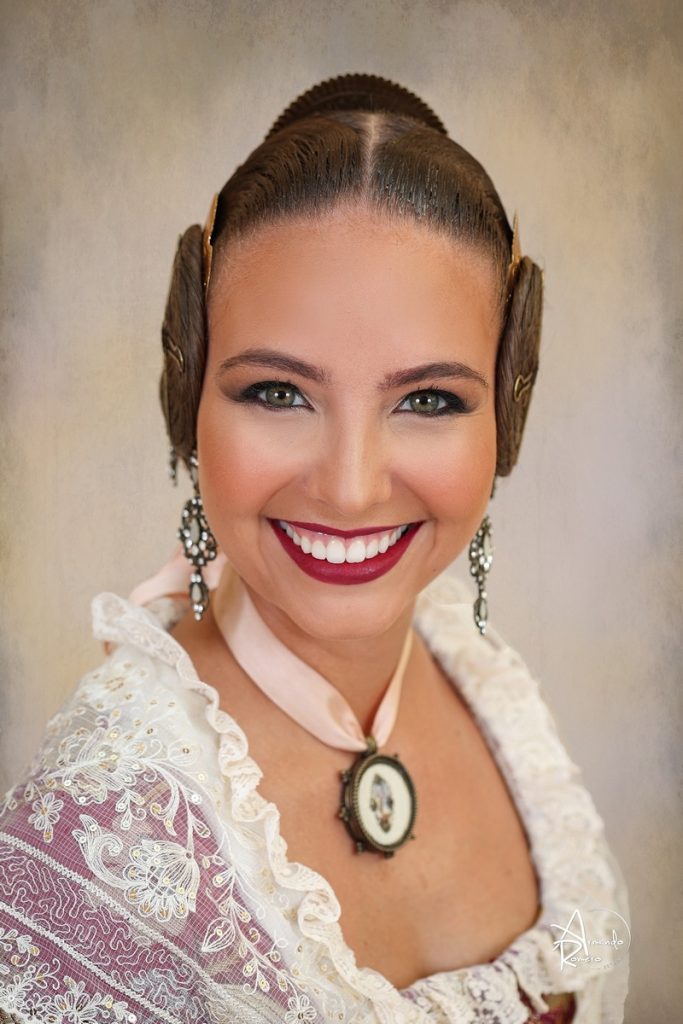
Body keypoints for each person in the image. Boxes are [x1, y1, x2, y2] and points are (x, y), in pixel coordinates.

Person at [0, 73, 630, 1023]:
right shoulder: (97, 835)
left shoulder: (487, 688)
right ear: (188, 400)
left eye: (427, 400)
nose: (349, 487)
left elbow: (586, 959)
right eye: (277, 392)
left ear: (505, 415)